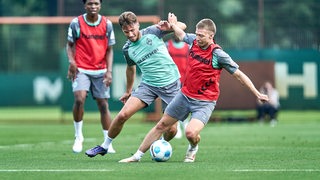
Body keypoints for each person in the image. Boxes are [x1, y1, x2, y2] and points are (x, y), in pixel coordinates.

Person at [118, 13, 269, 163]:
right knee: (162, 125)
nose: (197, 38)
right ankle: (136, 156)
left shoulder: (218, 55)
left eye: (201, 35)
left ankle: (193, 147)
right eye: (197, 34)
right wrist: (173, 24)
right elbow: (181, 33)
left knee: (190, 133)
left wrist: (257, 93)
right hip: (184, 96)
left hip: (204, 102)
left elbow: (239, 75)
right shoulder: (193, 41)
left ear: (211, 36)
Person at [84, 11, 187, 157]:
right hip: (148, 85)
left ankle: (161, 144)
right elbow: (130, 68)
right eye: (126, 32)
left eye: (132, 30)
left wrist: (172, 25)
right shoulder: (127, 49)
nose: (130, 34)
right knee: (122, 115)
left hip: (171, 84)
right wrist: (128, 91)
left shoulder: (153, 31)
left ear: (138, 25)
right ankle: (104, 146)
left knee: (172, 130)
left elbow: (183, 26)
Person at [66, 0, 116, 153]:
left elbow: (109, 50)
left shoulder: (107, 24)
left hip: (100, 70)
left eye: (96, 3)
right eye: (90, 3)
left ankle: (108, 143)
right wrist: (72, 62)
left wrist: (109, 71)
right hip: (81, 68)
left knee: (103, 105)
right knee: (80, 98)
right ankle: (78, 136)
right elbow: (69, 45)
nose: (93, 6)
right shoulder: (76, 23)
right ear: (84, 5)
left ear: (100, 5)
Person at [166, 37, 189, 139]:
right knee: (172, 103)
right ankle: (176, 125)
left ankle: (185, 122)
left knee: (186, 103)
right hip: (171, 80)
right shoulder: (167, 45)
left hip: (185, 79)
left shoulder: (188, 47)